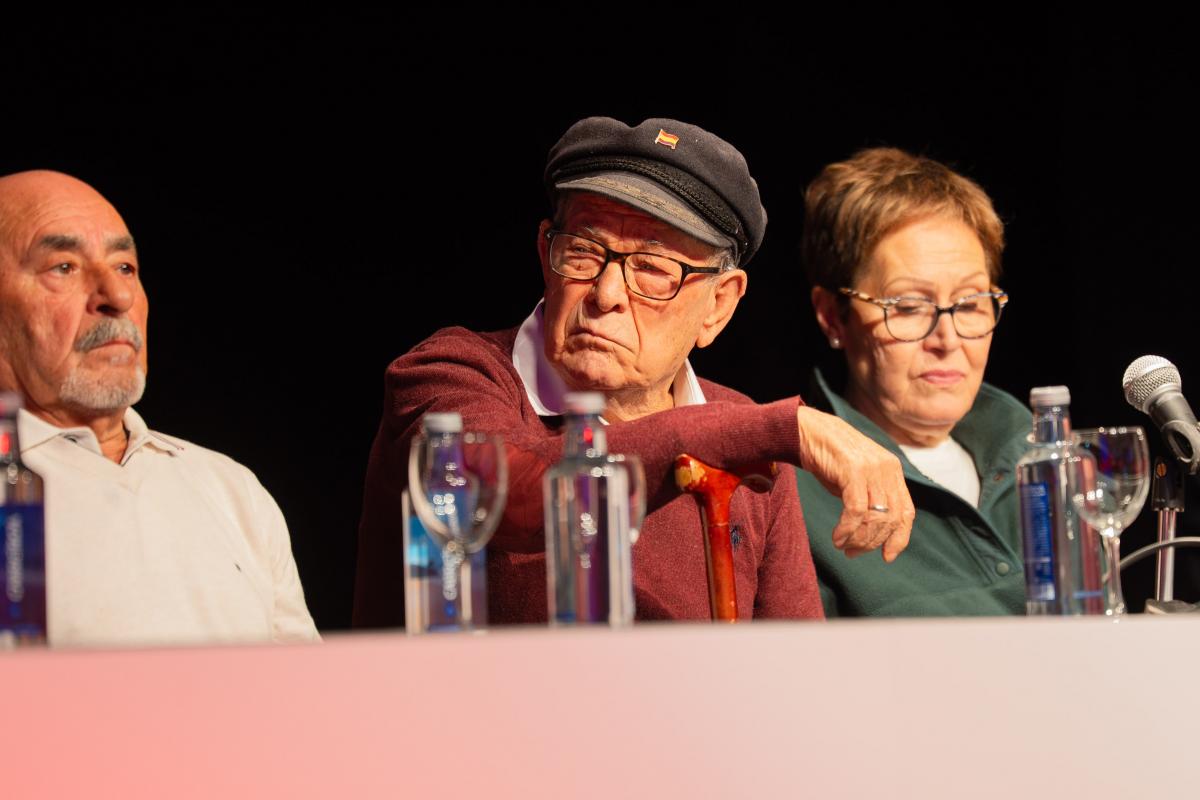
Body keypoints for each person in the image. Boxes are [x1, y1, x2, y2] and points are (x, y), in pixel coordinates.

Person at [354, 117, 915, 627]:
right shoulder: (450, 374)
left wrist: (754, 431)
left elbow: (795, 672)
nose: (605, 293)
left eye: (651, 268)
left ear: (719, 305)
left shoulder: (745, 434)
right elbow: (523, 497)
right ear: (544, 253)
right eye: (583, 252)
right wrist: (777, 429)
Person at [0, 170, 319, 646]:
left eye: (125, 267)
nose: (119, 298)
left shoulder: (232, 489)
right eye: (63, 267)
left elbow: (309, 697)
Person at [797, 147, 1029, 616]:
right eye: (907, 306)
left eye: (969, 304)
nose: (946, 339)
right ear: (832, 318)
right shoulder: (790, 493)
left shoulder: (1043, 456)